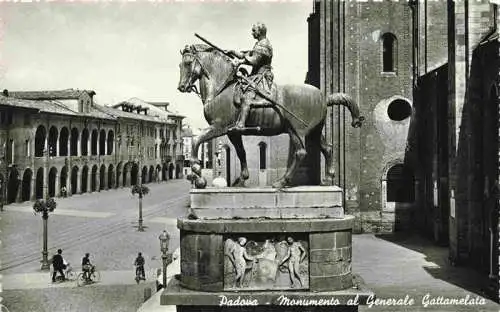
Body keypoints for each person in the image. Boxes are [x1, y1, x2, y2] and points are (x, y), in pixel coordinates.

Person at [229, 22, 274, 130]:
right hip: (256, 75)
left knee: (247, 96)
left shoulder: (264, 44)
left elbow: (254, 60)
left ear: (260, 31)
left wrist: (239, 62)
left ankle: (241, 124)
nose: (252, 33)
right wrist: (233, 52)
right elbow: (249, 54)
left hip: (262, 76)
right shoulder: (259, 44)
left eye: (254, 30)